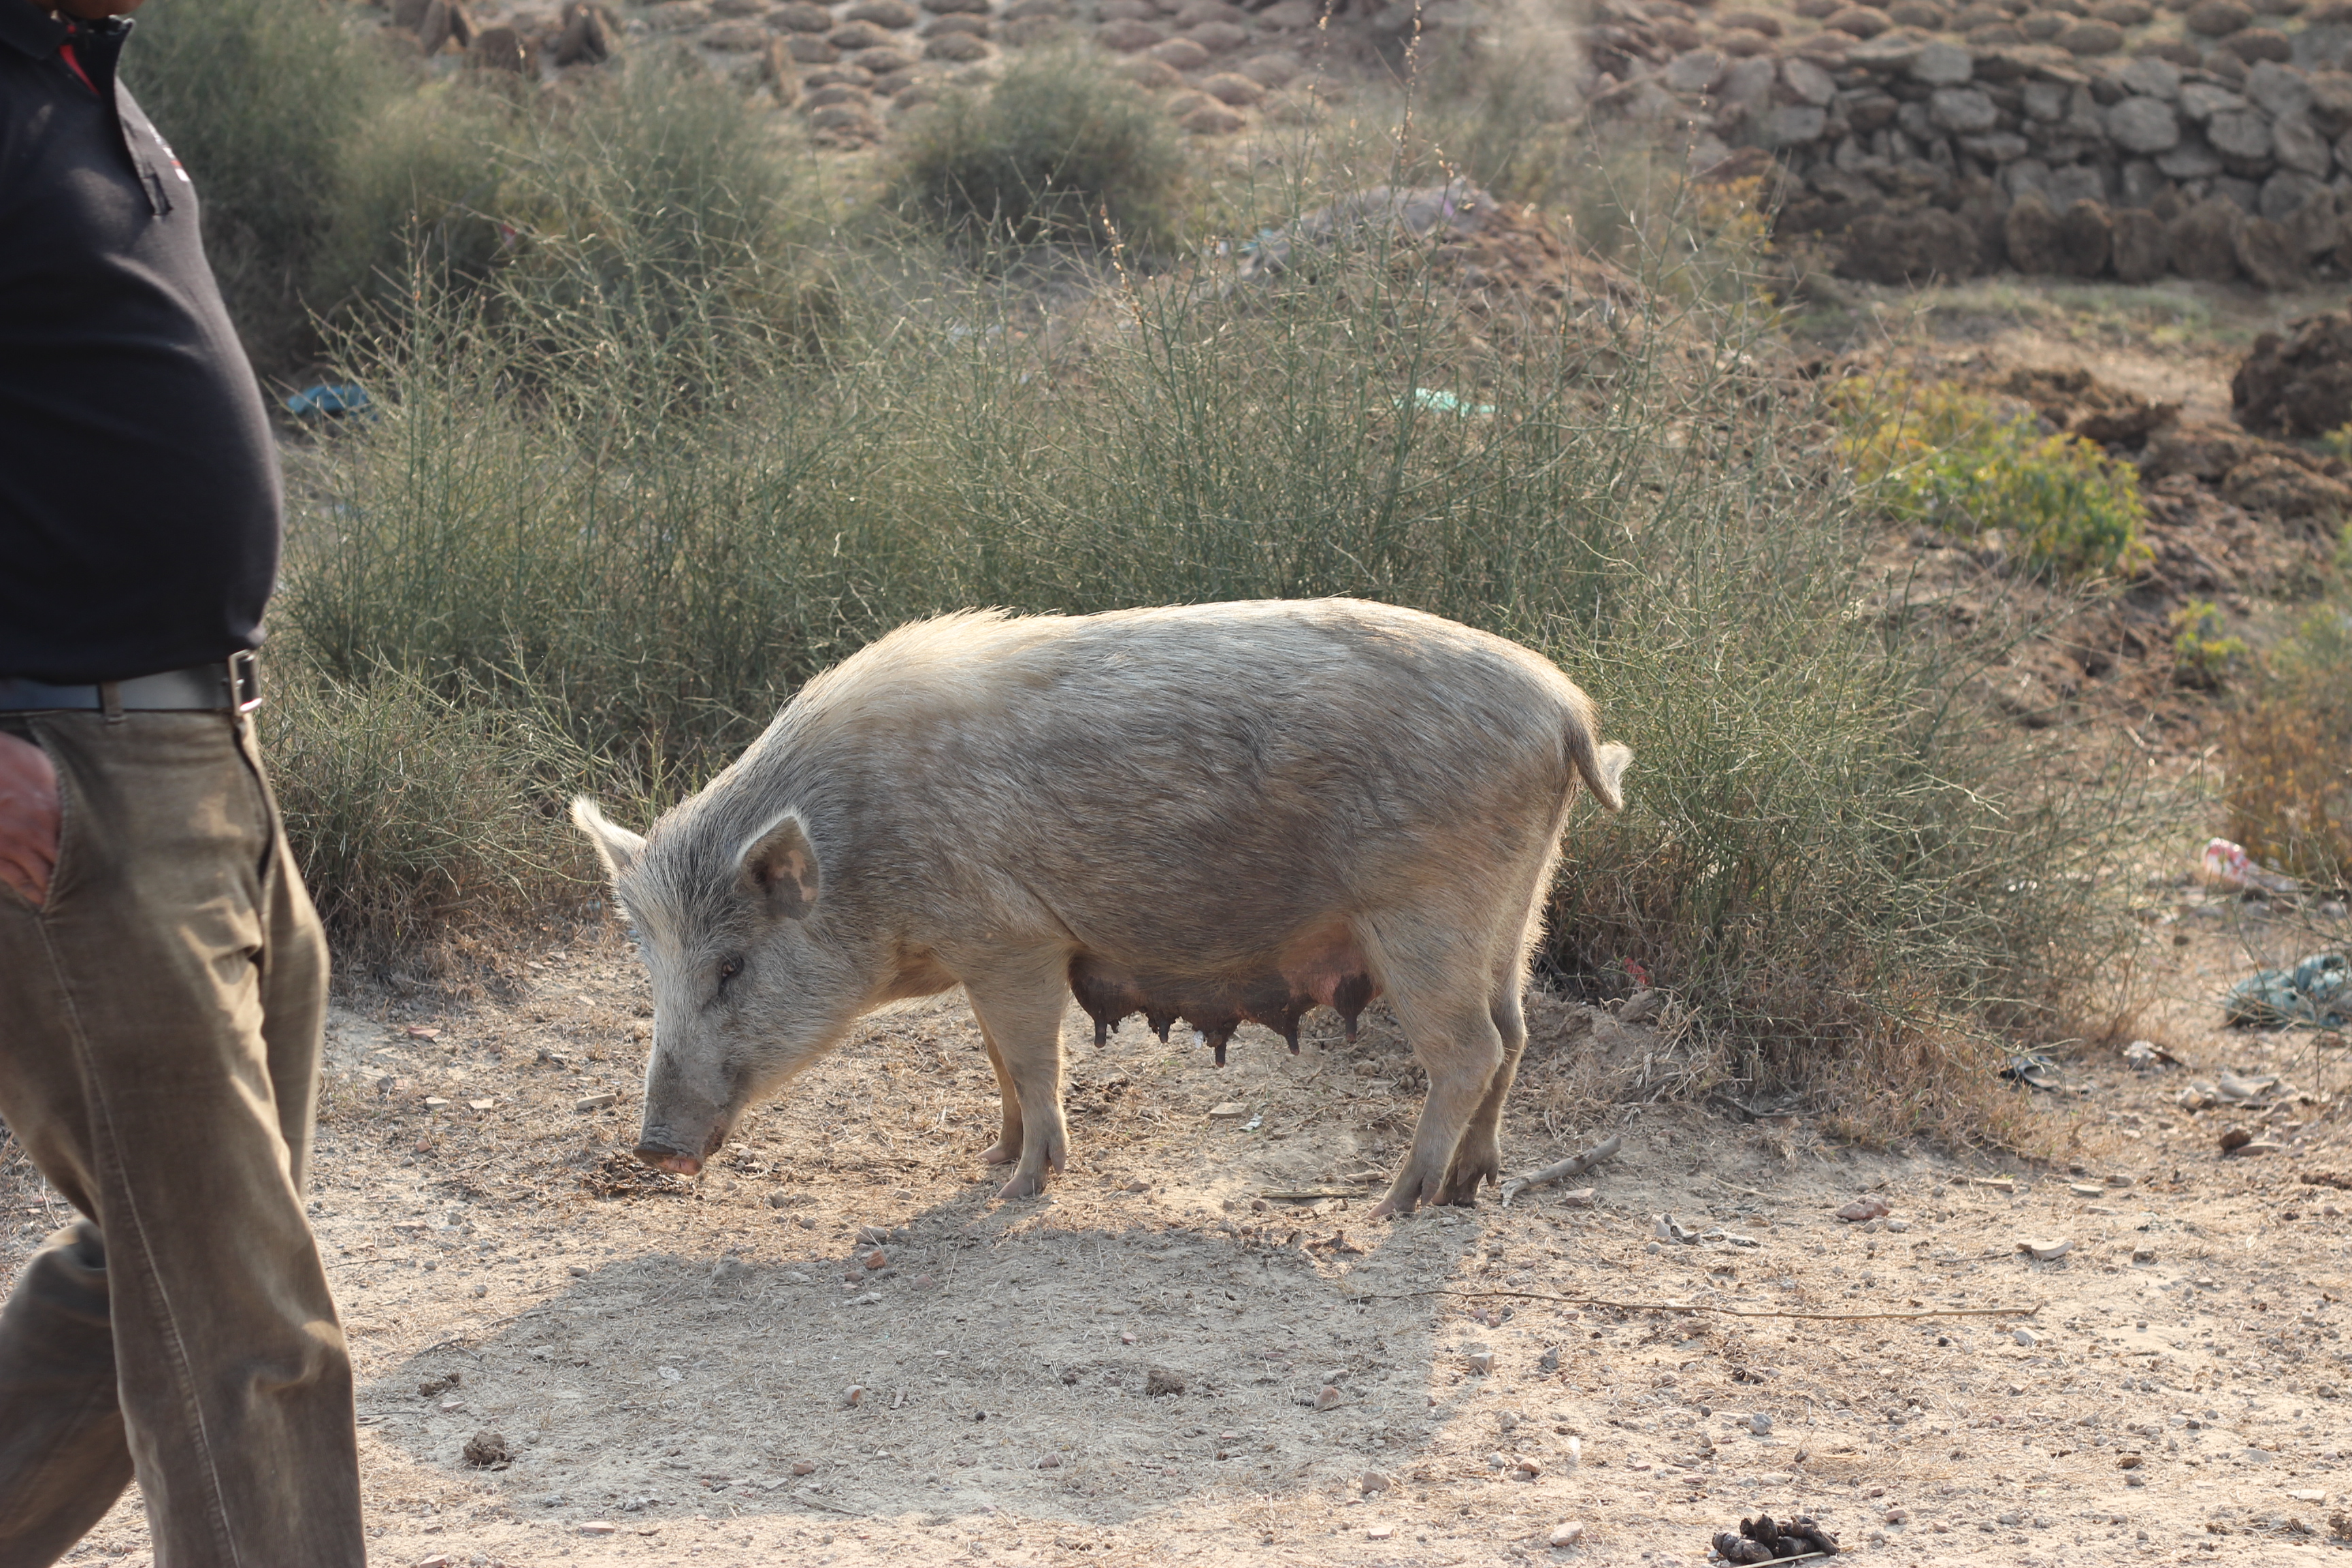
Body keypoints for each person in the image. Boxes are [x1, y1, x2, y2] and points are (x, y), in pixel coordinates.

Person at [0, 0, 365, 1556]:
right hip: (81, 784)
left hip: (210, 757)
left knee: (152, 1274)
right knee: (246, 1332)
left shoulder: (81, 79)